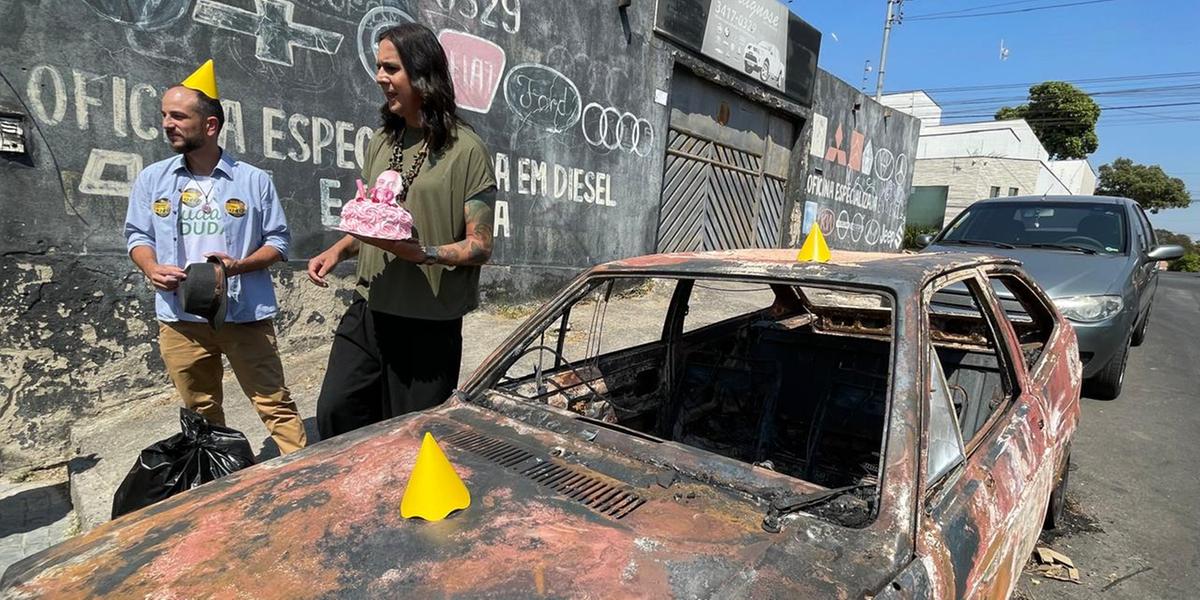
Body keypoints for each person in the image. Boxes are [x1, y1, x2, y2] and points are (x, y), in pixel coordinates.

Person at [308, 23, 496, 439]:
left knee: (413, 436)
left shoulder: (466, 150)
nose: (380, 78)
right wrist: (338, 250)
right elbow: (376, 221)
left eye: (390, 68)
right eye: (378, 67)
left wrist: (425, 252)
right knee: (337, 412)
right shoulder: (380, 141)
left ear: (422, 74)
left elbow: (481, 246)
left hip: (428, 320)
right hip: (370, 306)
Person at [124, 60, 307, 454]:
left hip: (244, 315)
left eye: (178, 116)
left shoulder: (254, 180)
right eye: (164, 116)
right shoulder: (152, 179)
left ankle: (305, 474)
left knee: (274, 402)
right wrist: (151, 267)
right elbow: (137, 235)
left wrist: (238, 266)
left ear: (209, 125)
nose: (167, 123)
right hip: (180, 319)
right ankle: (217, 481)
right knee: (200, 409)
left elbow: (278, 242)